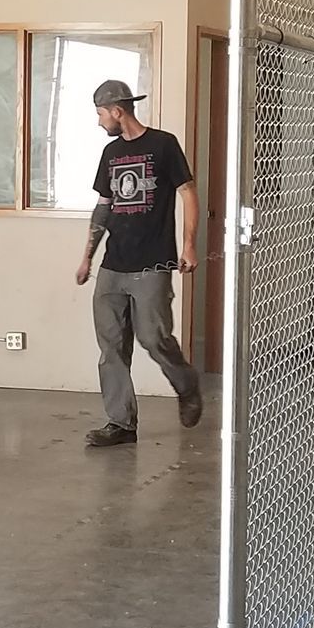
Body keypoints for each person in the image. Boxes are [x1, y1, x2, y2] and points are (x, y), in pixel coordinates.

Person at [74, 77, 202, 449]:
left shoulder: (163, 145)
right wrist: (87, 257)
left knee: (153, 337)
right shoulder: (110, 154)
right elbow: (104, 206)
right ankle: (121, 423)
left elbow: (188, 193)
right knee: (111, 347)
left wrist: (190, 246)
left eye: (101, 114)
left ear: (117, 111)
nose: (99, 122)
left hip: (152, 264)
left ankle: (186, 383)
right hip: (114, 266)